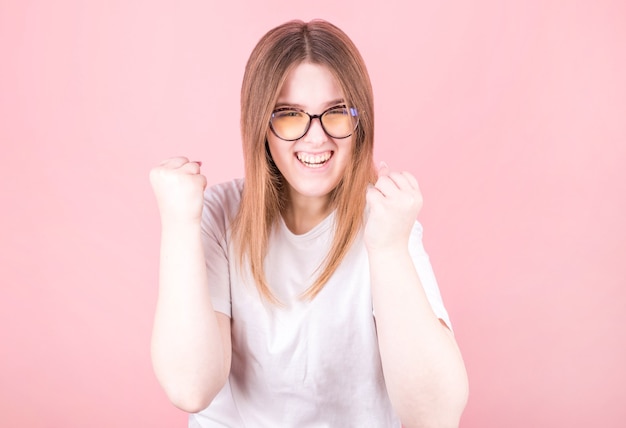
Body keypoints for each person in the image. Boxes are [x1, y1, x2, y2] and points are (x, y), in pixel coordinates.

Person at [149, 19, 468, 428]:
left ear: (360, 121)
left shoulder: (386, 224)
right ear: (260, 124)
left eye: (335, 112)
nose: (316, 138)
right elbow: (190, 387)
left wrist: (388, 247)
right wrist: (178, 223)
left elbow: (436, 415)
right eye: (288, 114)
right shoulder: (218, 214)